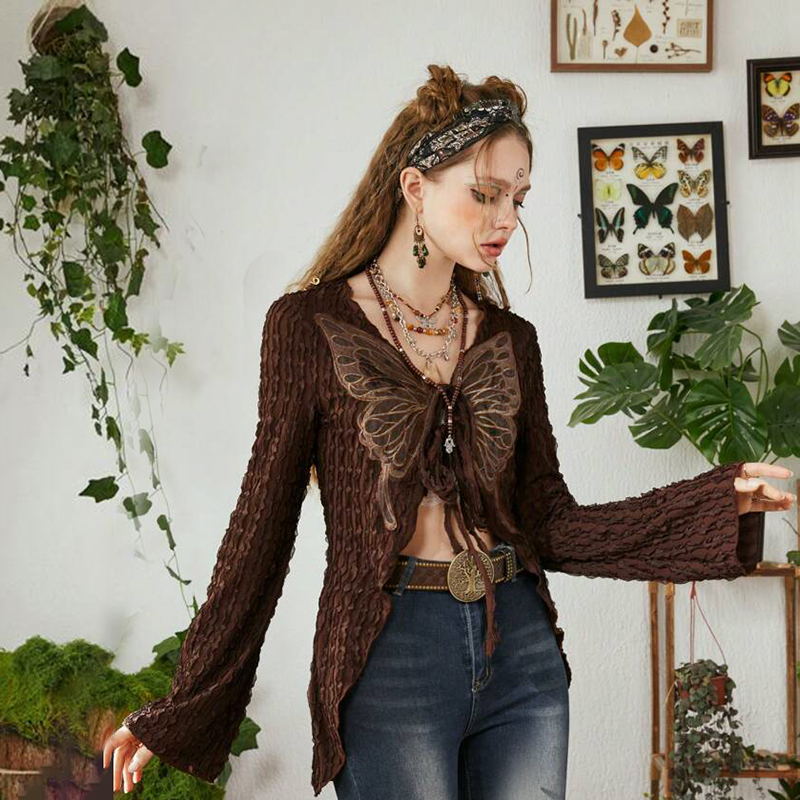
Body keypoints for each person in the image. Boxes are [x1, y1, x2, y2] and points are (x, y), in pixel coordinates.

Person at [103, 64, 795, 798]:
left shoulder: (510, 341)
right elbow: (261, 529)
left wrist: (710, 504)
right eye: (485, 193)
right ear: (415, 187)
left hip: (519, 647)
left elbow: (550, 525)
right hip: (387, 655)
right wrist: (180, 707)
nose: (506, 219)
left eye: (519, 198)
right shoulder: (307, 327)